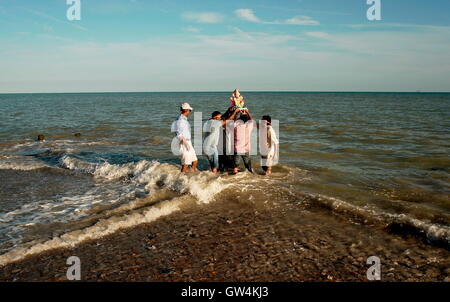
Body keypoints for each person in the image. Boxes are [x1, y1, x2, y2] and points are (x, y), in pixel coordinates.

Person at [203, 109, 238, 173]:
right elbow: (229, 119)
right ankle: (214, 179)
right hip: (212, 147)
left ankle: (211, 178)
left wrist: (229, 110)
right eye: (219, 117)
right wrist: (235, 112)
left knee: (212, 165)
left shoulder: (208, 122)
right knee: (215, 166)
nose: (220, 118)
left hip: (205, 147)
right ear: (215, 117)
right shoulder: (216, 123)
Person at [173, 103, 198, 173]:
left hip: (188, 142)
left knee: (195, 161)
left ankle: (190, 177)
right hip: (184, 143)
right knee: (186, 164)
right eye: (190, 110)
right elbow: (179, 134)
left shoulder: (183, 119)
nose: (190, 112)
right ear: (186, 110)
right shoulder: (180, 120)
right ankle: (181, 179)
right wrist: (185, 144)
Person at [232, 109, 254, 174]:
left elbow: (233, 120)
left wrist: (236, 112)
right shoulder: (249, 126)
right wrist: (247, 112)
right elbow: (251, 119)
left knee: (235, 167)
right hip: (246, 149)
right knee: (248, 166)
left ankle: (233, 180)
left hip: (237, 149)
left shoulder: (236, 126)